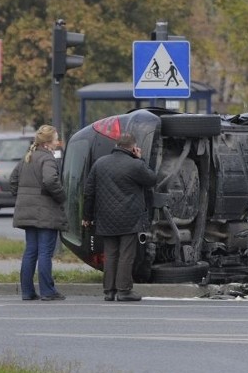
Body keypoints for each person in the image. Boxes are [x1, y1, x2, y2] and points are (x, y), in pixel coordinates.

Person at [83, 133, 157, 302]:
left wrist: (87, 216)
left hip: (105, 218)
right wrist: (140, 159)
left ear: (117, 144)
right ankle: (124, 290)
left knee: (110, 254)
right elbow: (151, 179)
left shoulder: (99, 163)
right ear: (133, 147)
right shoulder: (135, 165)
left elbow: (89, 192)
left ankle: (109, 291)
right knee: (126, 255)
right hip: (129, 218)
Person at [10, 125, 68, 301]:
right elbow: (50, 181)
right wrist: (61, 196)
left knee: (30, 251)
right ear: (49, 142)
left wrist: (23, 197)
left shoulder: (27, 158)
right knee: (44, 252)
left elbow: (13, 181)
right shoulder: (47, 159)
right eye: (56, 138)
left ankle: (27, 292)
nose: (58, 142)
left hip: (27, 211)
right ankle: (48, 291)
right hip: (45, 212)